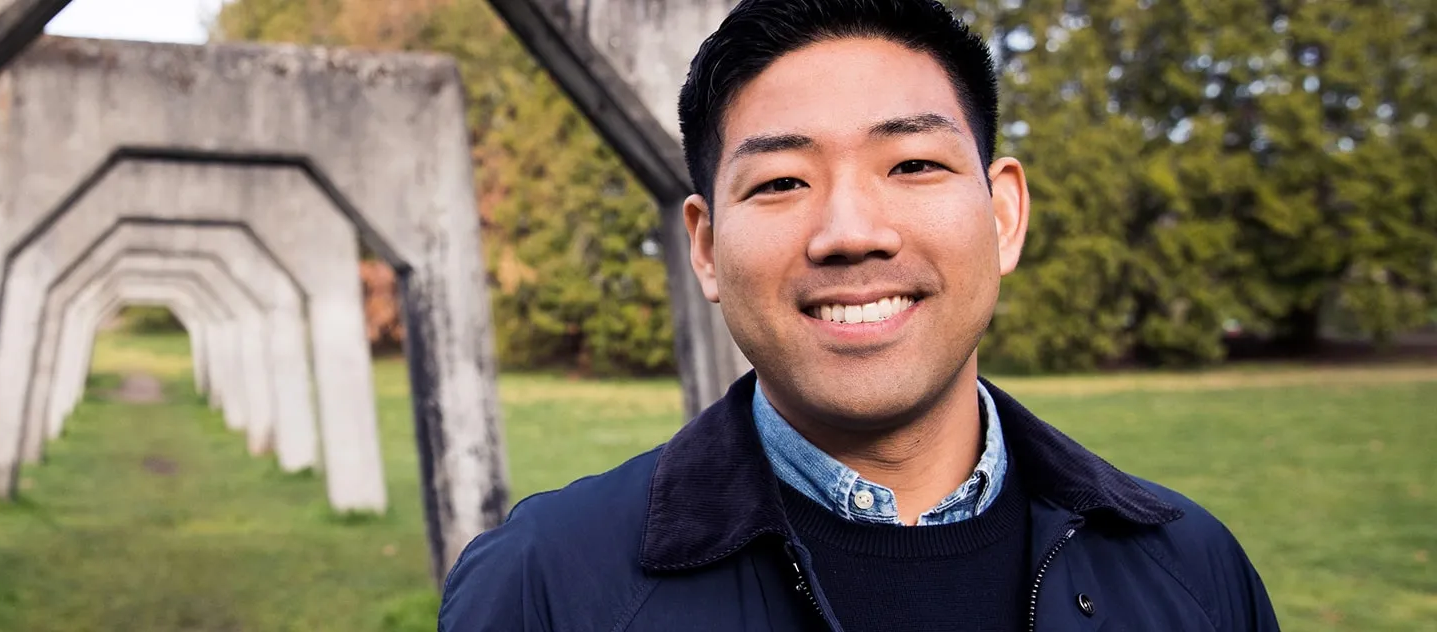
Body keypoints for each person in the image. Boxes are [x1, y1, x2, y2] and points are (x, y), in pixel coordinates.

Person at [438, 1, 1279, 630]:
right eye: (781, 181)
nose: (850, 233)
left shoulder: (1192, 569)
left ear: (1003, 216)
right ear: (706, 247)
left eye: (912, 164)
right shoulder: (545, 586)